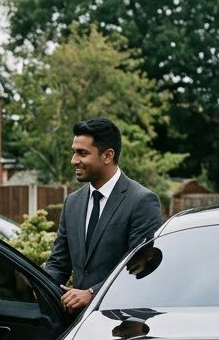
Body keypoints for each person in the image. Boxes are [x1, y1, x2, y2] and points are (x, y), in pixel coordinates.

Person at [44, 117, 162, 314]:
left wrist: (92, 293)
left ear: (107, 155)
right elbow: (58, 263)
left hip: (123, 321)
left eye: (82, 153)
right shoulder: (72, 202)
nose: (74, 160)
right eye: (74, 152)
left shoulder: (142, 201)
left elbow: (138, 268)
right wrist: (42, 289)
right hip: (76, 323)